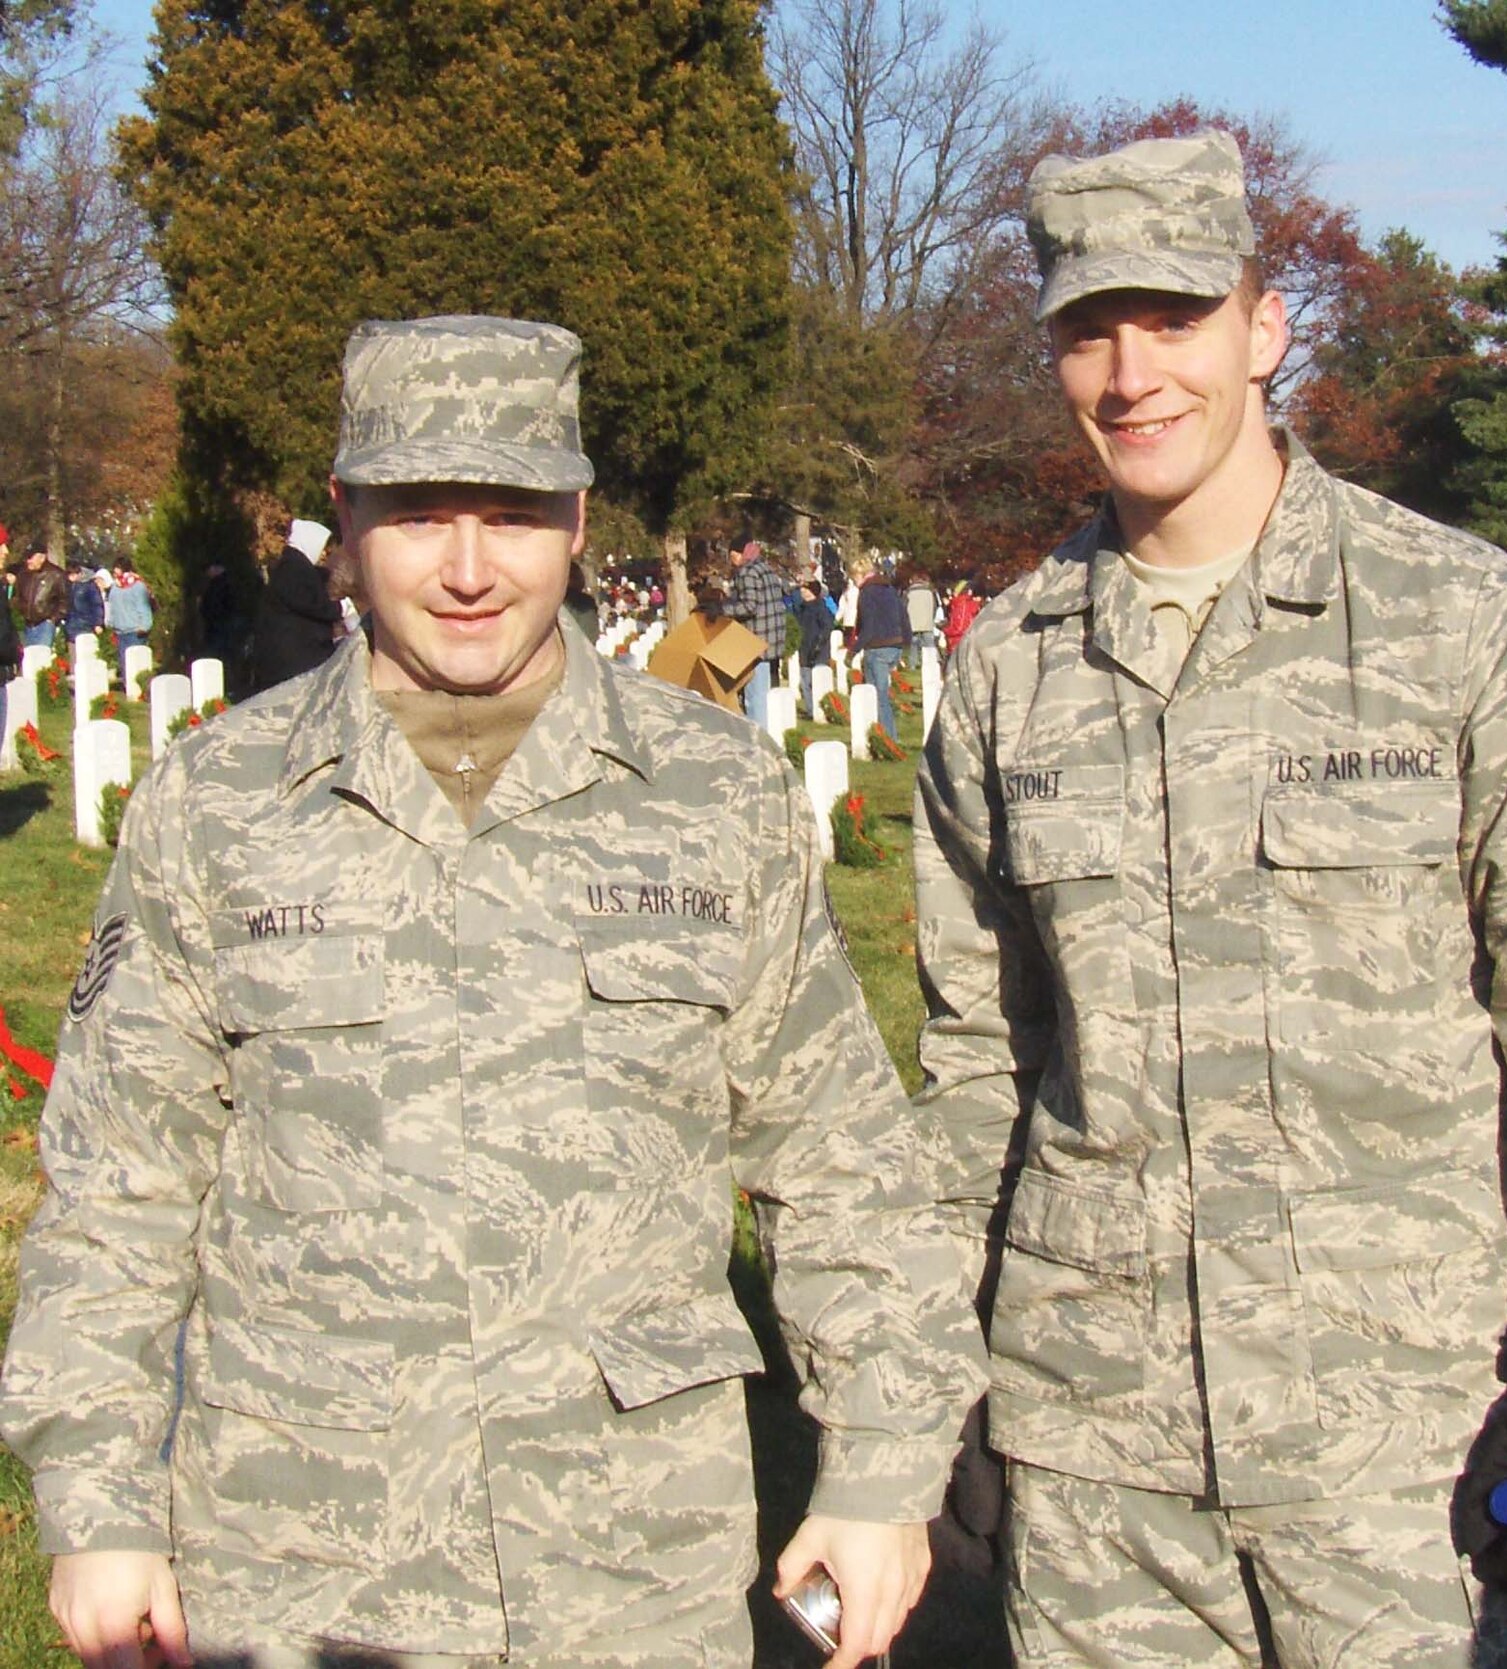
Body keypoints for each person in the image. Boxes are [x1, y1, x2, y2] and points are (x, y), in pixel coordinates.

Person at [1, 314, 985, 1669]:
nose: (468, 571)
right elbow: (117, 1189)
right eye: (417, 515)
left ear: (579, 521)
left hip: (630, 1569)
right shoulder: (216, 808)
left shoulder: (714, 799)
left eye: (513, 516)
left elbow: (842, 1161)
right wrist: (99, 1502)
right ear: (346, 522)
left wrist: (880, 1469)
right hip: (304, 1573)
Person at [913, 130, 1507, 1669]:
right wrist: (951, 1376)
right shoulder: (1007, 667)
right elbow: (974, 1059)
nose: (1132, 372)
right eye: (1088, 329)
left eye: (1176, 317)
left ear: (1266, 327)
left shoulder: (1460, 623)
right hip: (1097, 1458)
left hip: (1401, 1430)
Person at [249, 517, 344, 693]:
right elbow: (308, 603)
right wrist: (339, 608)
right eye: (322, 548)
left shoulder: (296, 566)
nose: (324, 554)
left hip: (297, 658)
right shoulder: (293, 568)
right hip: (292, 662)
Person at [718, 536, 787, 731]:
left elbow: (749, 606)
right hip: (771, 639)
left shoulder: (747, 571)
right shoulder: (766, 569)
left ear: (740, 554)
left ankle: (759, 738)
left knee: (755, 698)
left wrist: (722, 609)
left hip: (755, 640)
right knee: (764, 693)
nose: (731, 561)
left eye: (732, 556)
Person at [853, 559, 912, 742]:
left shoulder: (867, 593)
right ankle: (889, 734)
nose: (854, 581)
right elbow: (904, 617)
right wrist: (906, 644)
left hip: (877, 646)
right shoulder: (890, 590)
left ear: (861, 575)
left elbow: (867, 626)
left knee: (877, 697)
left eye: (854, 576)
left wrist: (853, 651)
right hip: (895, 645)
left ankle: (887, 738)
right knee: (883, 695)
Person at [104, 555, 155, 666]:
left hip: (135, 632)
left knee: (136, 664)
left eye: (118, 567)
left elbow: (143, 606)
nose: (115, 571)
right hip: (120, 631)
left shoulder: (137, 585)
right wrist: (110, 622)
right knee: (124, 665)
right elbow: (112, 606)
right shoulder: (115, 587)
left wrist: (145, 626)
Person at [14, 547, 69, 649]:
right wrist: (21, 611)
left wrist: (53, 619)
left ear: (42, 557)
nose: (28, 561)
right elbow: (17, 596)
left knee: (42, 658)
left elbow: (65, 599)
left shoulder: (56, 574)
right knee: (30, 659)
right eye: (27, 558)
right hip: (27, 625)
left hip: (45, 625)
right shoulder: (23, 574)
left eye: (31, 558)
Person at [794, 578, 834, 679]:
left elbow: (826, 628)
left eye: (806, 589)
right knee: (806, 682)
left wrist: (817, 646)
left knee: (819, 683)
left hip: (818, 655)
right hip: (804, 654)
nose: (803, 591)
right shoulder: (801, 609)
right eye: (802, 589)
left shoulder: (821, 608)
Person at [63, 558, 105, 648]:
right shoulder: (68, 586)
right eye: (69, 575)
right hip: (71, 625)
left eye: (73, 575)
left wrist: (98, 623)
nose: (71, 578)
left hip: (86, 624)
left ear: (79, 573)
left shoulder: (89, 586)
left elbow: (97, 604)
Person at [941, 580, 981, 654]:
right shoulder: (963, 604)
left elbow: (960, 628)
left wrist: (945, 630)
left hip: (958, 644)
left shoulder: (961, 605)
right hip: (964, 643)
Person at [905, 572, 940, 655]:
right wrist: (931, 617)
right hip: (927, 622)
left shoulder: (908, 592)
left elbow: (904, 606)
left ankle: (913, 664)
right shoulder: (930, 592)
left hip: (912, 622)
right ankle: (931, 661)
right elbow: (935, 607)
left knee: (913, 645)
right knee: (929, 644)